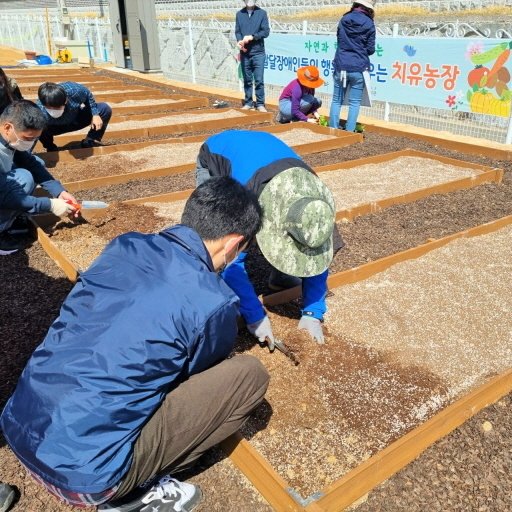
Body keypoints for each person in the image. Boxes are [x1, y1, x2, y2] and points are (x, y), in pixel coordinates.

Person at [1, 177, 269, 512]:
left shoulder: (124, 245)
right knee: (249, 375)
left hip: (17, 425)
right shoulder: (214, 302)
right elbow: (193, 374)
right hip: (86, 478)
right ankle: (130, 496)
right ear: (233, 244)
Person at [196, 130, 340, 346]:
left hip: (267, 154)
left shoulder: (315, 207)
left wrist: (313, 312)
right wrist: (255, 316)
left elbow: (318, 252)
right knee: (214, 231)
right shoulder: (248, 201)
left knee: (294, 232)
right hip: (218, 152)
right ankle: (202, 284)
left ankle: (281, 277)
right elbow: (233, 261)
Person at [0, 100, 79, 254]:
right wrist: (50, 205)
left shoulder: (9, 139)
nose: (30, 143)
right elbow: (7, 196)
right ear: (8, 127)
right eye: (28, 138)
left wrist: (59, 192)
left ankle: (12, 216)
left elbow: (30, 162)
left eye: (35, 139)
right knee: (25, 178)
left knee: (36, 162)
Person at [328, 0, 376, 131]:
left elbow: (339, 40)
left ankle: (332, 129)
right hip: (358, 66)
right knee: (354, 103)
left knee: (336, 100)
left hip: (341, 64)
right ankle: (350, 131)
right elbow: (370, 49)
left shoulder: (344, 19)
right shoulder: (369, 23)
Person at [36, 81, 112, 151]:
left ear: (65, 100)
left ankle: (90, 140)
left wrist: (95, 114)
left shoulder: (74, 91)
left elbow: (87, 94)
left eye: (58, 107)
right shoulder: (38, 110)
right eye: (50, 108)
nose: (54, 110)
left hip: (75, 120)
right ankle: (50, 147)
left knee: (104, 109)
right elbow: (30, 131)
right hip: (54, 127)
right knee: (37, 126)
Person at [235, 0, 270, 112]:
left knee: (259, 80)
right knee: (247, 79)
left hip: (258, 52)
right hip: (245, 53)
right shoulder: (239, 14)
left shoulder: (262, 13)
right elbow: (237, 31)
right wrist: (239, 41)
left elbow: (266, 32)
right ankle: (248, 102)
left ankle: (260, 104)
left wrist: (252, 37)